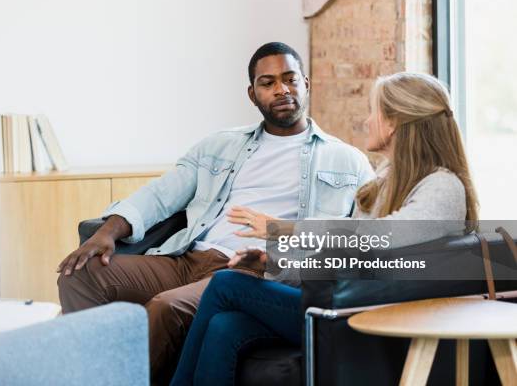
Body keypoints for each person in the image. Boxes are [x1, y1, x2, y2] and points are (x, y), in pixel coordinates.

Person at [56, 42, 374, 380]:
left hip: (249, 270)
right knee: (80, 274)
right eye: (268, 83)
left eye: (290, 79)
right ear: (252, 94)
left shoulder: (347, 161)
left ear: (306, 84)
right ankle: (89, 374)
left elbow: (367, 237)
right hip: (186, 259)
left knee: (166, 307)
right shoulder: (220, 145)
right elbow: (161, 194)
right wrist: (108, 231)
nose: (281, 89)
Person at [170, 72, 479, 385]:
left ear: (395, 122)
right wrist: (273, 264)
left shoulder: (443, 186)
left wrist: (286, 229)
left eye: (374, 111)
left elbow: (377, 239)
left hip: (370, 315)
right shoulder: (385, 183)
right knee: (226, 326)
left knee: (225, 283)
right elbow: (338, 263)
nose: (367, 121)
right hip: (348, 304)